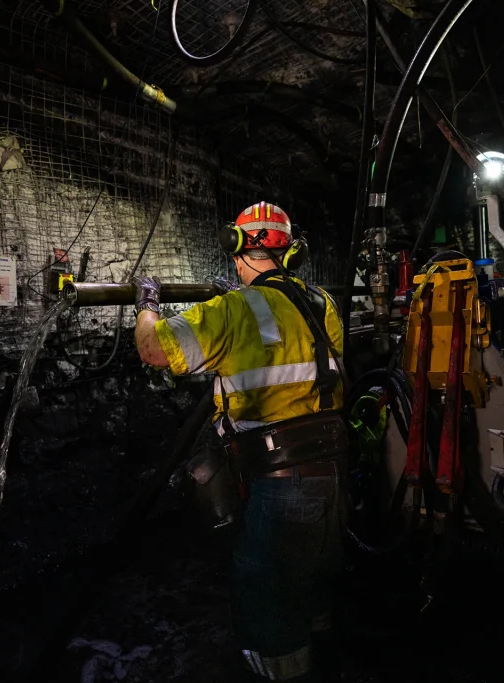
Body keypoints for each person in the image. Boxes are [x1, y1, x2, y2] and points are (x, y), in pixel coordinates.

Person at [132, 201, 349, 682]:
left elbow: (154, 348)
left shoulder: (233, 309)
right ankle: (326, 663)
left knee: (268, 595)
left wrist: (147, 304)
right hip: (334, 473)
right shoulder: (323, 304)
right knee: (315, 583)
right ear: (292, 252)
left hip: (278, 482)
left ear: (235, 247)